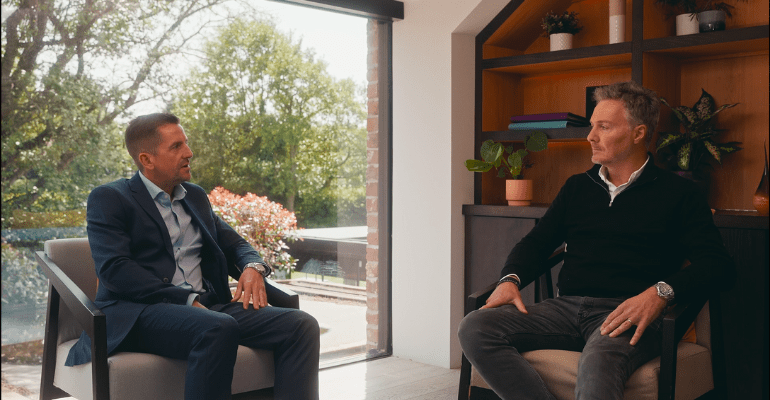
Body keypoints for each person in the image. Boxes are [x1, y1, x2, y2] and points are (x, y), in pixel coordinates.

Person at [457, 81, 735, 400]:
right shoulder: (577, 187)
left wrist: (659, 293)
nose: (590, 136)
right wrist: (510, 279)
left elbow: (718, 266)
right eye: (592, 126)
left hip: (627, 312)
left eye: (603, 127)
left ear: (638, 133)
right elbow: (537, 243)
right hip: (566, 309)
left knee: (598, 361)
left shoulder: (680, 194)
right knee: (475, 327)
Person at [64, 113, 320, 400]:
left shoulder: (195, 196)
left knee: (301, 325)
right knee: (217, 327)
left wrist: (252, 266)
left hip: (208, 307)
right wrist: (185, 299)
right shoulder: (110, 198)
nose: (189, 152)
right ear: (147, 159)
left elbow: (235, 244)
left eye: (185, 143)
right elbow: (115, 270)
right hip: (139, 314)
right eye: (176, 146)